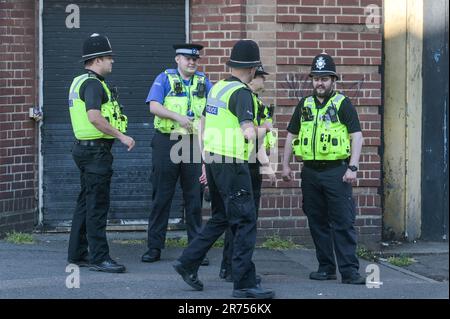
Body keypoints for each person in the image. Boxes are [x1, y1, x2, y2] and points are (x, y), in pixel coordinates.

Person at [173, 40, 275, 299]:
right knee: (245, 221)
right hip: (232, 164)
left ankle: (187, 262)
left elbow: (203, 123)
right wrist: (266, 130)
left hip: (215, 161)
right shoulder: (242, 93)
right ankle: (243, 284)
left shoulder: (218, 87)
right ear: (252, 68)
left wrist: (205, 157)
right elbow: (249, 133)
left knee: (221, 217)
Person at [281, 52, 365, 284]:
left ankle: (349, 271)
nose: (320, 82)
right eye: (316, 78)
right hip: (310, 172)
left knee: (342, 222)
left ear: (333, 81)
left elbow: (356, 136)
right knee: (316, 220)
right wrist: (285, 165)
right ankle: (326, 268)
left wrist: (353, 167)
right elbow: (291, 135)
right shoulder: (304, 104)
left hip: (336, 172)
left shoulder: (342, 104)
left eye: (325, 78)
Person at [67, 33, 135, 273]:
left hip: (82, 149)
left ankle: (77, 253)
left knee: (85, 202)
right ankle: (99, 257)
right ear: (97, 60)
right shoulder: (94, 84)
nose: (112, 62)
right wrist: (121, 135)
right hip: (96, 152)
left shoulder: (79, 81)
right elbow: (94, 117)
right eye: (109, 58)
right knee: (97, 206)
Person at [142, 43, 212, 265]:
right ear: (177, 59)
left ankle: (196, 250)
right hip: (167, 141)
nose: (192, 62)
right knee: (162, 196)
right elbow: (153, 106)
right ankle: (154, 247)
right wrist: (178, 117)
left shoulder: (203, 81)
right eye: (187, 58)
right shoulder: (164, 78)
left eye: (195, 59)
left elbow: (212, 112)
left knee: (194, 198)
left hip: (193, 144)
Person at [219, 64, 277, 282]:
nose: (265, 82)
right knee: (246, 220)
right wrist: (267, 165)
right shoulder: (250, 102)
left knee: (234, 220)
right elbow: (256, 140)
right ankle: (239, 271)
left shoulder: (245, 100)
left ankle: (229, 267)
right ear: (253, 77)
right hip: (248, 165)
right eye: (263, 77)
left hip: (237, 162)